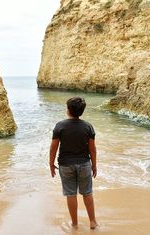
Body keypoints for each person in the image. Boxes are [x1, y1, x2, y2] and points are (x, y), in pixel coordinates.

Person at [49, 96, 98, 230]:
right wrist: (94, 165)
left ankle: (75, 223)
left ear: (68, 110)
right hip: (84, 164)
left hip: (65, 165)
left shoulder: (60, 126)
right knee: (87, 193)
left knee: (71, 194)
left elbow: (54, 147)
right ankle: (93, 221)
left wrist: (51, 163)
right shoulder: (88, 126)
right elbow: (92, 149)